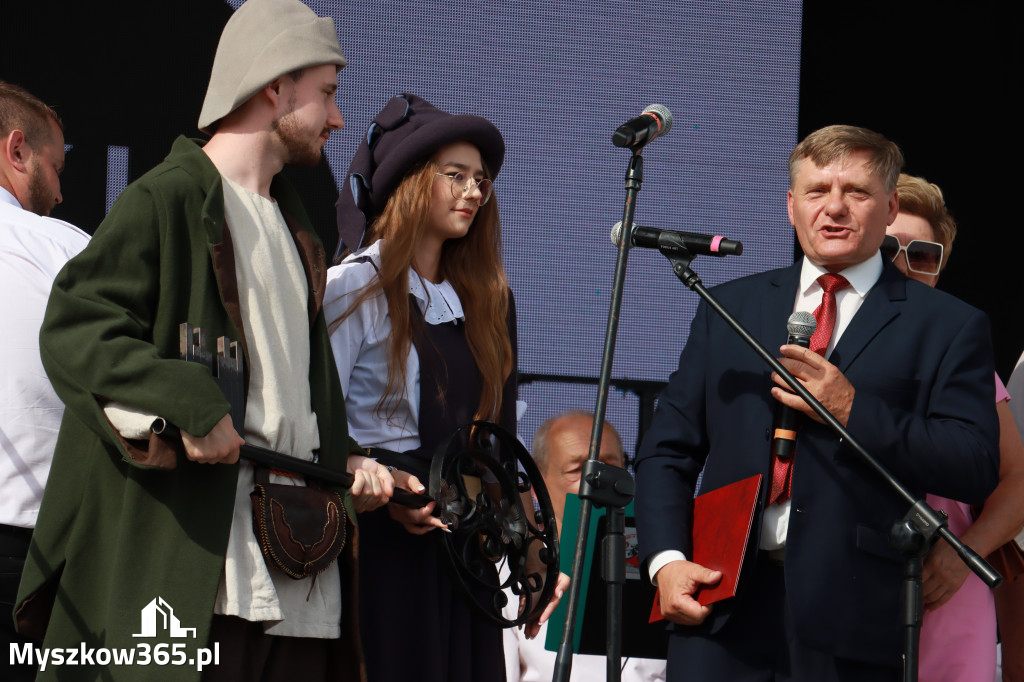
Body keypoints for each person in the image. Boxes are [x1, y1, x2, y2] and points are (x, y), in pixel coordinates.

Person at [14, 1, 393, 680]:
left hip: (299, 576)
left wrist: (351, 462)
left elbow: (288, 405)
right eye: (327, 94)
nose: (338, 118)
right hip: (202, 576)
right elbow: (77, 328)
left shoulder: (295, 228)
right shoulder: (168, 199)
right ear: (274, 85)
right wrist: (188, 403)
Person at [635, 125, 1000, 681]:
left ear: (889, 206)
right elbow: (667, 451)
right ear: (790, 205)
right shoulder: (730, 306)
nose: (835, 208)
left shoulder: (948, 325)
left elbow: (973, 466)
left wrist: (854, 409)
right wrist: (665, 561)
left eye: (855, 191)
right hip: (717, 604)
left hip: (851, 616)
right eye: (816, 191)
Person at [325, 93, 566, 682]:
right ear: (409, 182)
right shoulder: (356, 285)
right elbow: (315, 421)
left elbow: (497, 444)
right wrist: (368, 471)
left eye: (481, 180)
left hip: (465, 547)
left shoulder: (485, 304)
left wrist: (532, 547)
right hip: (381, 537)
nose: (473, 191)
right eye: (454, 175)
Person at [885, 174, 1024, 682]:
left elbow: (1019, 482)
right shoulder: (816, 348)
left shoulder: (966, 366)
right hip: (843, 593)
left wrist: (966, 553)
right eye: (887, 247)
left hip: (949, 594)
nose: (903, 265)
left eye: (923, 254)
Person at [1, 81, 89, 682]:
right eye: (56, 168)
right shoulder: (60, 246)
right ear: (16, 151)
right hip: (32, 553)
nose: (60, 192)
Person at [502, 411, 667, 682]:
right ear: (538, 486)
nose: (598, 479)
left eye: (610, 464)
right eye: (578, 469)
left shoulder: (660, 564)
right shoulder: (510, 578)